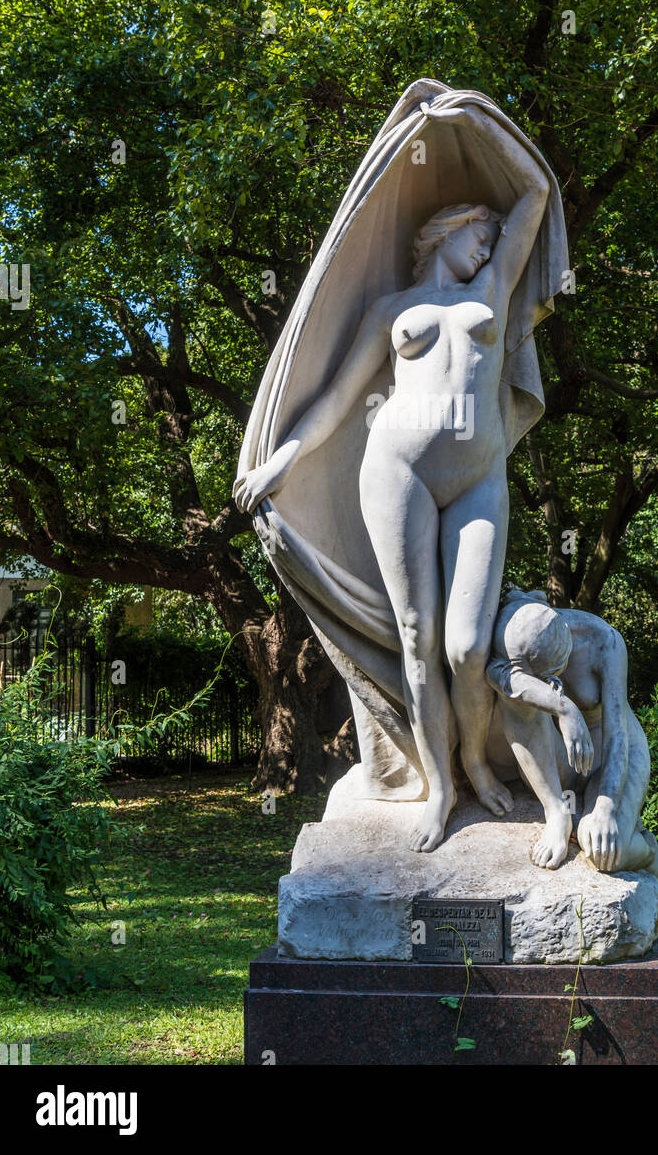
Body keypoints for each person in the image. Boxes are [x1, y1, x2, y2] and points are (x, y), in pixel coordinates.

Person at [234, 104, 550, 852]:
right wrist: (282, 458)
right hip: (396, 470)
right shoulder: (391, 309)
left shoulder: (493, 292)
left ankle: (472, 755)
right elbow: (339, 398)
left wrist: (471, 115)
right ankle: (439, 790)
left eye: (491, 240)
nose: (487, 247)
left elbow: (535, 192)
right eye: (479, 234)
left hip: (475, 478)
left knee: (469, 645)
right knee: (417, 635)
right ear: (445, 231)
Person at [486, 588, 658, 885]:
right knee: (516, 701)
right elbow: (498, 676)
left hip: (611, 754)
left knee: (605, 850)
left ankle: (647, 851)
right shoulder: (512, 626)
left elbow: (617, 736)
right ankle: (556, 812)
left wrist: (606, 809)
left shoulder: (604, 642)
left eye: (550, 678)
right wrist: (563, 707)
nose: (549, 685)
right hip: (563, 758)